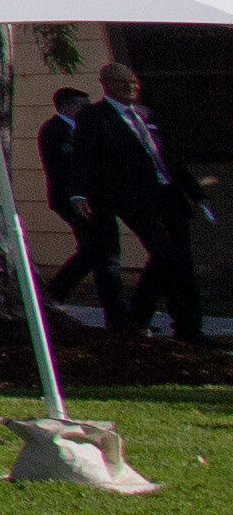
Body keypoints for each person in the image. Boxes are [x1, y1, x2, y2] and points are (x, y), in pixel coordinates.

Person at [74, 60, 207, 347]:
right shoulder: (95, 117)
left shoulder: (146, 115)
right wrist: (79, 193)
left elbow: (169, 156)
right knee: (167, 255)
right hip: (134, 199)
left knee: (178, 259)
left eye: (134, 82)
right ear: (107, 84)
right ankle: (144, 316)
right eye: (124, 83)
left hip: (168, 193)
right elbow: (84, 158)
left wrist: (195, 192)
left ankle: (183, 326)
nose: (132, 88)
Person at [40, 79, 125, 315]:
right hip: (73, 200)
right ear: (67, 106)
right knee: (105, 252)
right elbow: (70, 165)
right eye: (83, 105)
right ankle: (116, 310)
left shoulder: (82, 129)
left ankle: (55, 291)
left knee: (91, 251)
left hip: (94, 200)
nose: (87, 110)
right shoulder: (55, 131)